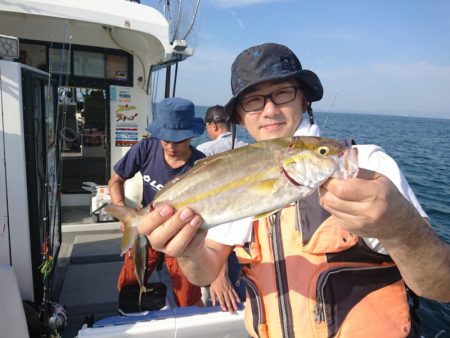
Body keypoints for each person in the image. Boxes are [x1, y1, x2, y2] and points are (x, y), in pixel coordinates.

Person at [136, 43, 450, 337]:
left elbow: (443, 287)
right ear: (241, 117)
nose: (269, 110)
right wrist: (189, 250)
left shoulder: (368, 165)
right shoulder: (237, 176)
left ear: (304, 99)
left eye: (282, 93)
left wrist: (400, 228)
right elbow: (205, 273)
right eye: (253, 100)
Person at [108, 97, 206, 308]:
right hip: (145, 228)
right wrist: (121, 208)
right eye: (164, 138)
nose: (170, 146)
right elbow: (115, 180)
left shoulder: (200, 165)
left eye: (178, 140)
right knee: (129, 283)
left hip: (181, 234)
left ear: (191, 135)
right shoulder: (146, 148)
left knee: (188, 296)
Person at [196, 105, 247, 312]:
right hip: (245, 237)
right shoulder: (247, 148)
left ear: (213, 125)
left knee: (219, 298)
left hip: (216, 235)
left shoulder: (203, 152)